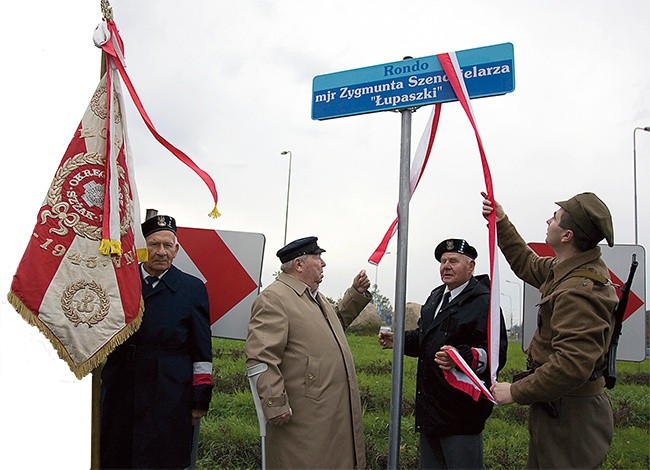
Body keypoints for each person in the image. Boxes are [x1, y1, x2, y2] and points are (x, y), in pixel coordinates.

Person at [482, 191, 619, 469]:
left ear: (567, 235)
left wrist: (516, 391)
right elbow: (527, 264)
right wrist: (501, 221)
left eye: (555, 218)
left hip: (571, 417)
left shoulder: (578, 292)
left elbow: (571, 365)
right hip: (559, 407)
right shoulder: (567, 269)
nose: (548, 221)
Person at [379, 238, 508, 469]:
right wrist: (398, 340)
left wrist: (460, 358)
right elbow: (424, 339)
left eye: (453, 261)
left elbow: (495, 354)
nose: (446, 266)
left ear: (470, 266)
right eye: (443, 261)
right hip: (430, 411)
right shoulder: (435, 297)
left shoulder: (484, 302)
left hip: (461, 414)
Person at [245, 236, 372, 469]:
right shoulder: (275, 298)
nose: (323, 263)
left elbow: (333, 323)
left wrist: (355, 293)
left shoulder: (315, 298)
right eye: (318, 257)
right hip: (303, 419)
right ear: (299, 264)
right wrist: (274, 404)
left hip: (327, 415)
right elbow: (261, 356)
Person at [100, 214, 214, 469]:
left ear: (177, 249)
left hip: (170, 392)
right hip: (122, 388)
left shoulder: (191, 288)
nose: (161, 252)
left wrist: (199, 399)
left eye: (168, 245)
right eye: (154, 244)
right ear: (142, 246)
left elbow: (202, 352)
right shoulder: (120, 282)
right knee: (116, 455)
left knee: (162, 458)